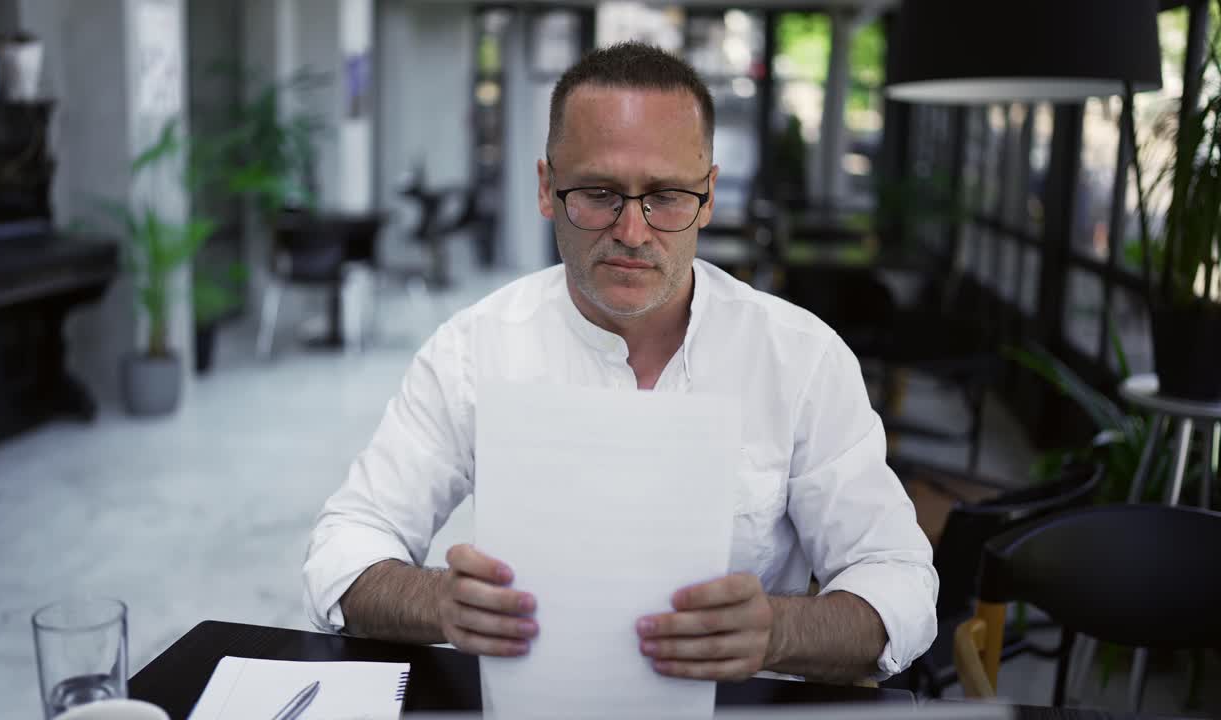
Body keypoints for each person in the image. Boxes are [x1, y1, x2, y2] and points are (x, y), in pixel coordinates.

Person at [304, 41, 936, 684]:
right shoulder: (472, 349)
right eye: (599, 192)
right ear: (547, 187)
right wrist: (438, 603)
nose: (632, 232)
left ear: (709, 194)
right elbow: (345, 548)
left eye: (666, 196)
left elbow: (900, 580)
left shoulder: (800, 357)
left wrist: (779, 630)